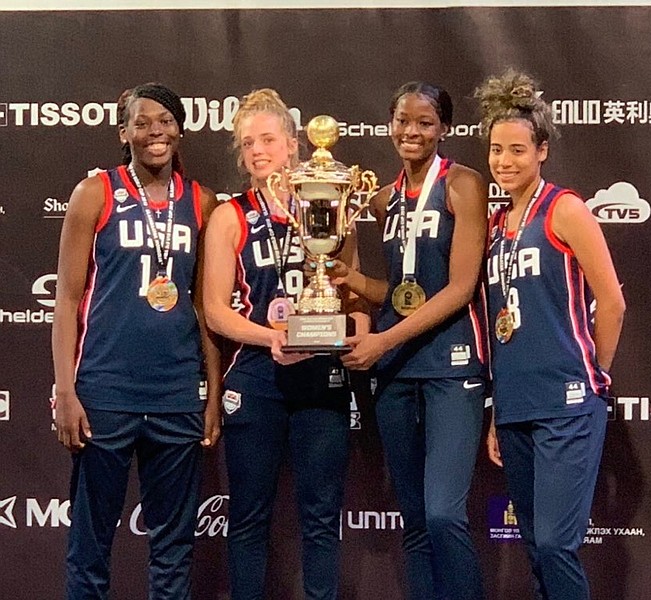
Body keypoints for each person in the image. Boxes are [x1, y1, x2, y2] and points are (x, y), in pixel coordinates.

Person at [52, 83, 221, 600]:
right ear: (123, 132)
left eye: (166, 121)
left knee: (173, 550)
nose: (155, 132)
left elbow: (204, 307)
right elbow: (65, 299)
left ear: (180, 130)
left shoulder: (202, 202)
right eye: (143, 122)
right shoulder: (96, 192)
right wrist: (66, 390)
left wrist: (212, 393)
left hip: (175, 396)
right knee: (90, 546)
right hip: (105, 392)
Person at [202, 88, 368, 600]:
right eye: (247, 142)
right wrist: (272, 336)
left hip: (322, 375)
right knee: (249, 517)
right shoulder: (230, 216)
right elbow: (213, 309)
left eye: (268, 139)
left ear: (293, 145)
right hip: (257, 376)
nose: (257, 151)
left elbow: (352, 289)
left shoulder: (332, 207)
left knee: (321, 518)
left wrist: (358, 323)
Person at [331, 81, 488, 600]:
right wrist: (349, 280)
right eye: (402, 120)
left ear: (443, 128)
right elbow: (400, 292)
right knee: (416, 520)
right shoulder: (384, 199)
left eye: (424, 122)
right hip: (396, 370)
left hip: (450, 364)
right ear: (389, 124)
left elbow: (460, 288)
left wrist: (382, 340)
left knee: (444, 513)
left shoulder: (463, 184)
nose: (411, 132)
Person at [475, 69, 626, 600]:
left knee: (558, 545)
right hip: (515, 405)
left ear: (541, 150)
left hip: (567, 403)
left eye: (517, 149)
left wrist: (594, 375)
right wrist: (496, 412)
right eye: (496, 150)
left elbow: (612, 302)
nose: (503, 162)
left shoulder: (566, 209)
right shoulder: (496, 227)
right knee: (536, 545)